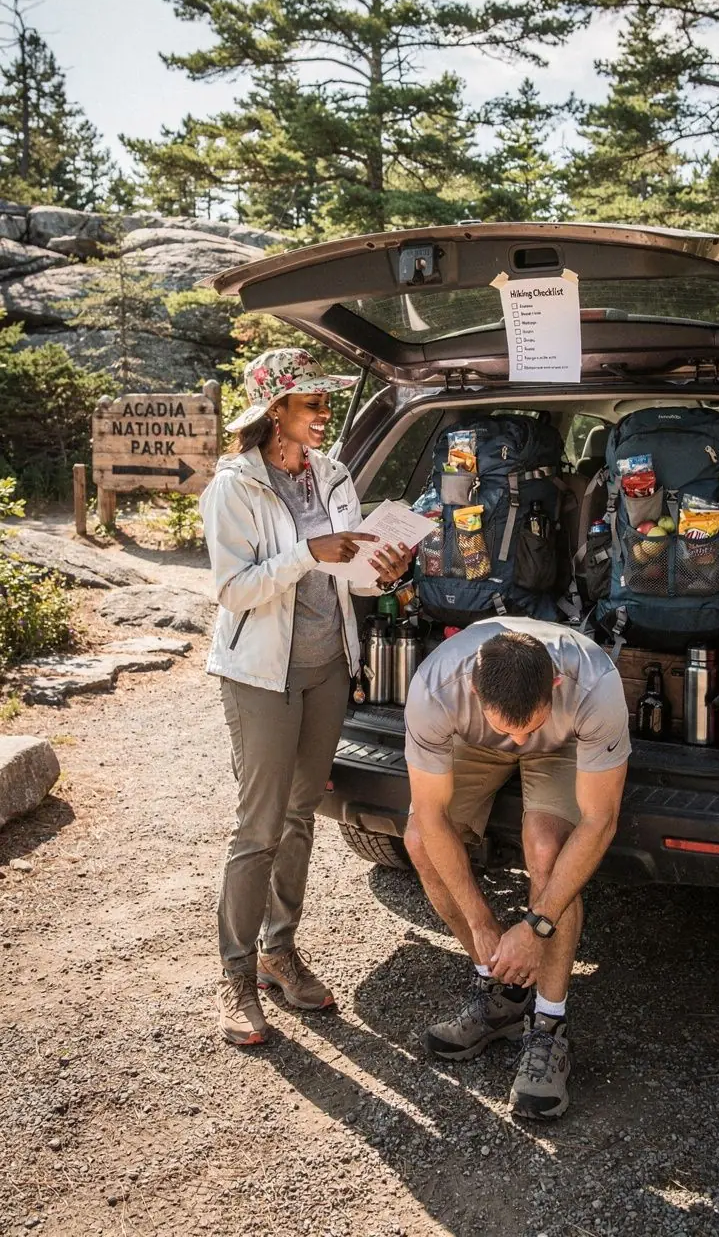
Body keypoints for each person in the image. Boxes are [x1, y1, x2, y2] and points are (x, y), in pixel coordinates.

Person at [200, 347, 412, 1046]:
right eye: (311, 403)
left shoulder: (333, 473)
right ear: (275, 411)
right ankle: (235, 977)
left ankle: (278, 951)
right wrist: (306, 554)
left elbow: (351, 575)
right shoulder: (233, 487)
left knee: (300, 816)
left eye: (325, 402)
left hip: (327, 668)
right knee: (257, 827)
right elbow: (233, 591)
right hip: (260, 674)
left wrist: (383, 569)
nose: (325, 414)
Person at [402, 618, 630, 1119]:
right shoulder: (435, 689)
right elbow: (431, 816)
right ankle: (500, 992)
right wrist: (482, 923)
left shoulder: (594, 684)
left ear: (555, 684)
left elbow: (601, 820)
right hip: (475, 742)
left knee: (548, 849)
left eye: (530, 725)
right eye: (511, 730)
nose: (521, 740)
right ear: (474, 690)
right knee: (418, 839)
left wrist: (534, 927)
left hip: (564, 745)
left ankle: (549, 1025)